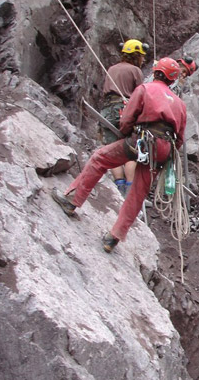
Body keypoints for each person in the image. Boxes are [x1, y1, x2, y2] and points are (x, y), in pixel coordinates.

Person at [52, 58, 187, 253]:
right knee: (138, 192)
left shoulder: (145, 89)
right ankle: (113, 237)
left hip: (143, 140)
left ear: (156, 72)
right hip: (164, 149)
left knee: (100, 158)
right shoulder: (180, 105)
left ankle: (73, 200)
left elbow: (127, 119)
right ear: (172, 80)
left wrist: (125, 134)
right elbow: (180, 138)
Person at [100, 39, 148, 196]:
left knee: (112, 149)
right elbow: (140, 94)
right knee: (130, 151)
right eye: (141, 56)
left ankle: (119, 186)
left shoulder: (112, 69)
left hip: (106, 110)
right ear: (136, 56)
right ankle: (130, 190)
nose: (143, 59)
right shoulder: (135, 71)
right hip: (123, 109)